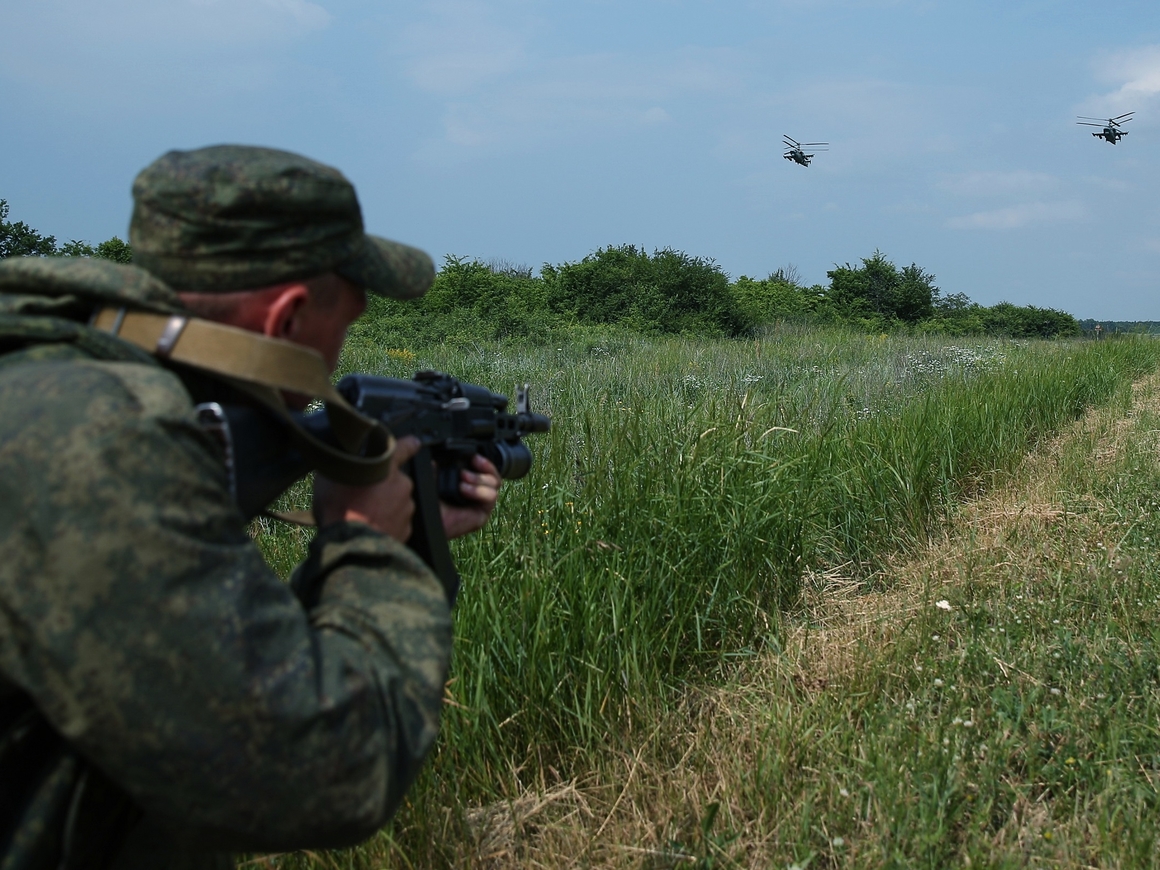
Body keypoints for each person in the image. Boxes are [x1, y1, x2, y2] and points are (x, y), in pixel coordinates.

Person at [0, 145, 499, 869]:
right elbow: (327, 772)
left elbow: (202, 676)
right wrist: (366, 545)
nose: (339, 355)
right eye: (348, 324)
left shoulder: (59, 381)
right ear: (287, 319)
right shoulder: (99, 444)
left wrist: (404, 532)